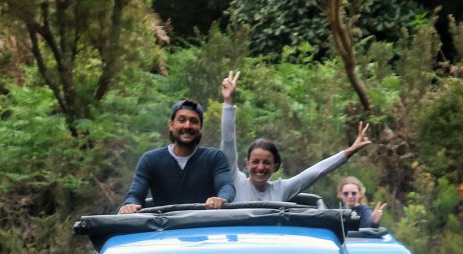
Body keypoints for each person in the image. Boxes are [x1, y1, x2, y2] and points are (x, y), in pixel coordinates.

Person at [220, 70, 373, 203]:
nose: (260, 167)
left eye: (266, 162)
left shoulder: (281, 189)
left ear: (275, 166)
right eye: (255, 162)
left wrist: (350, 151)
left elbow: (316, 172)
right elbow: (228, 142)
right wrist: (228, 102)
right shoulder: (236, 182)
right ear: (247, 164)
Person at [119, 99, 235, 214]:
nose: (187, 125)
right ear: (171, 125)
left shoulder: (215, 157)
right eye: (182, 120)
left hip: (205, 226)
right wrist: (129, 205)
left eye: (194, 121)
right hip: (164, 229)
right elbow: (135, 194)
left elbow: (226, 186)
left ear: (200, 128)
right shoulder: (150, 160)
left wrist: (221, 198)